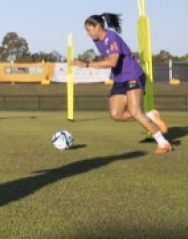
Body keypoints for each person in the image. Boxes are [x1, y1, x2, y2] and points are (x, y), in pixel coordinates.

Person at [74, 13, 172, 153]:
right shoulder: (97, 41)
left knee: (135, 111)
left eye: (89, 30)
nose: (87, 34)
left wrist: (86, 64)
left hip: (133, 75)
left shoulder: (112, 38)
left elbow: (112, 61)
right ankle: (150, 116)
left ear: (98, 27)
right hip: (119, 79)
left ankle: (163, 143)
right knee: (116, 114)